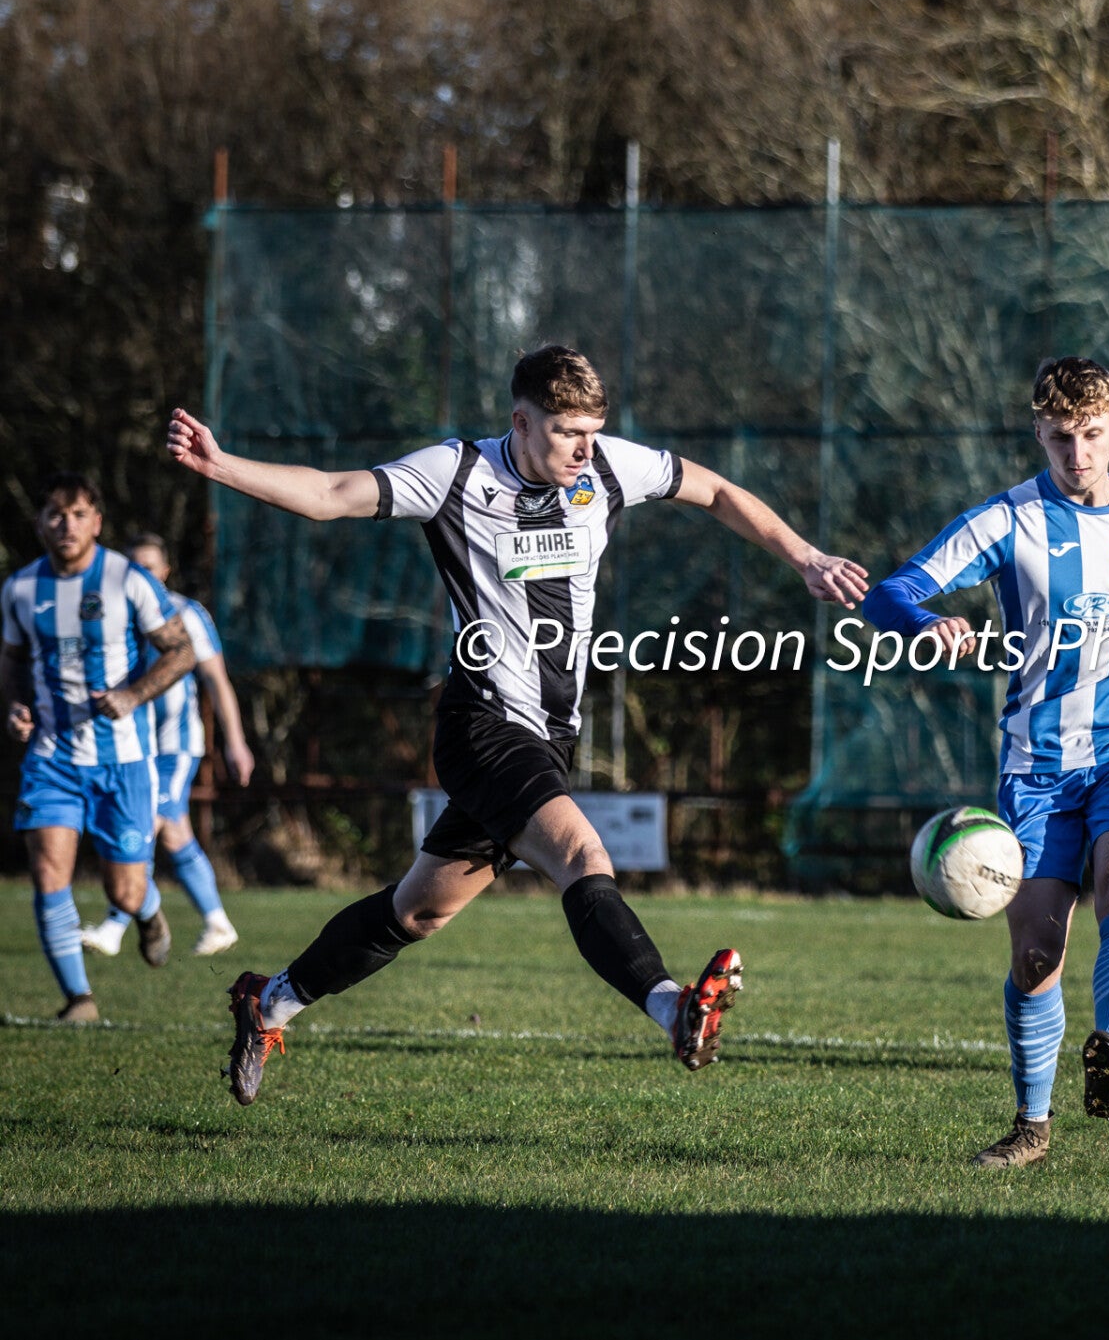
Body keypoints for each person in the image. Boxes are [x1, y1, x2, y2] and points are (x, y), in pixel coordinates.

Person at [166, 344, 867, 1105]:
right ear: (522, 422)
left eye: (592, 431)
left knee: (419, 911)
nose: (584, 448)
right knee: (582, 853)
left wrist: (805, 557)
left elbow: (717, 490)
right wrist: (223, 465)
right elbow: (333, 492)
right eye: (567, 431)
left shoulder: (606, 467)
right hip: (483, 725)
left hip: (550, 737)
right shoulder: (457, 473)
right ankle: (673, 1007)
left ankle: (267, 1002)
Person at [865, 356, 1109, 1167]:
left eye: (1091, 435)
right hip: (1038, 763)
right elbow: (889, 592)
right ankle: (1032, 1129)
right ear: (1038, 432)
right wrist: (926, 625)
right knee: (1037, 955)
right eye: (1060, 437)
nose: (1078, 454)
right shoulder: (1007, 520)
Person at [2, 474, 195, 1021]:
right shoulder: (20, 589)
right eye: (56, 515)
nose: (67, 525)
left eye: (79, 514)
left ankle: (147, 909)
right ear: (40, 522)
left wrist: (132, 695)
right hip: (52, 757)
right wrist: (14, 707)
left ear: (97, 522)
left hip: (123, 761)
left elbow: (181, 652)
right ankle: (79, 999)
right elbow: (11, 660)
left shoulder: (128, 579)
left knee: (125, 892)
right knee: (48, 873)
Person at [79, 533, 253, 958]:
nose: (142, 575)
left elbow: (217, 680)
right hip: (131, 747)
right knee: (175, 834)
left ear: (166, 571)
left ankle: (115, 925)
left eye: (150, 567)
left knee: (146, 823)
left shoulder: (186, 613)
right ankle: (218, 923)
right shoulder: (109, 611)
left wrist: (236, 741)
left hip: (175, 745)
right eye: (133, 567)